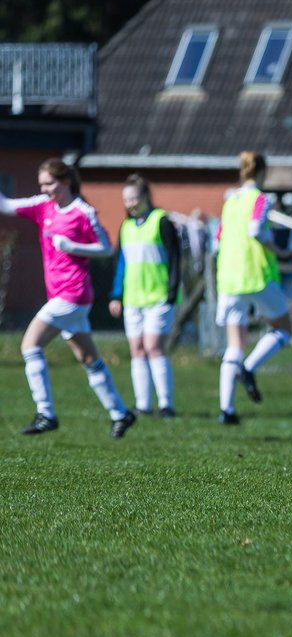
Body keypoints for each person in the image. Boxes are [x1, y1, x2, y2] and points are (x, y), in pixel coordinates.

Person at [0, 159, 136, 438]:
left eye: (49, 183)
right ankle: (120, 413)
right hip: (63, 296)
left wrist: (73, 246)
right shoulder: (43, 206)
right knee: (87, 356)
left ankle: (46, 413)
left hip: (73, 295)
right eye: (42, 184)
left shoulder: (82, 212)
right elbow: (6, 205)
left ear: (66, 182)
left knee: (29, 345)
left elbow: (105, 248)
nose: (45, 189)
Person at [214, 151, 292, 425]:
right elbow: (255, 231)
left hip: (228, 277)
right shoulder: (261, 198)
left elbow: (218, 238)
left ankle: (226, 410)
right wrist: (281, 252)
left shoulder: (230, 200)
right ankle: (249, 368)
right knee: (284, 329)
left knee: (234, 344)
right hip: (256, 274)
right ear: (262, 172)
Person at [108, 174, 183, 417]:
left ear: (145, 197)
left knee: (154, 347)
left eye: (134, 198)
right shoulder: (126, 227)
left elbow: (175, 258)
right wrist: (116, 294)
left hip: (158, 296)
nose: (130, 204)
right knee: (137, 349)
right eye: (126, 200)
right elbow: (122, 263)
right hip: (133, 298)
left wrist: (172, 291)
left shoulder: (161, 222)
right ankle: (143, 404)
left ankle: (166, 403)